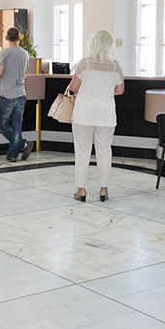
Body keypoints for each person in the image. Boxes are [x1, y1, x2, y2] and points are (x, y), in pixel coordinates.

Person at [70, 29, 124, 202]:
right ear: (109, 46)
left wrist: (88, 91)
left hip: (84, 113)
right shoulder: (115, 66)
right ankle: (104, 189)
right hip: (106, 114)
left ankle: (81, 190)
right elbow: (120, 90)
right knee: (104, 151)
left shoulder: (84, 64)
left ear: (92, 43)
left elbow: (73, 87)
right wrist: (104, 93)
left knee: (82, 151)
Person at [0, 27, 32, 162]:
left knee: (2, 124)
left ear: (6, 38)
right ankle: (14, 153)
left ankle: (22, 146)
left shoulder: (4, 53)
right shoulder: (25, 53)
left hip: (7, 94)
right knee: (17, 125)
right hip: (21, 93)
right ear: (19, 38)